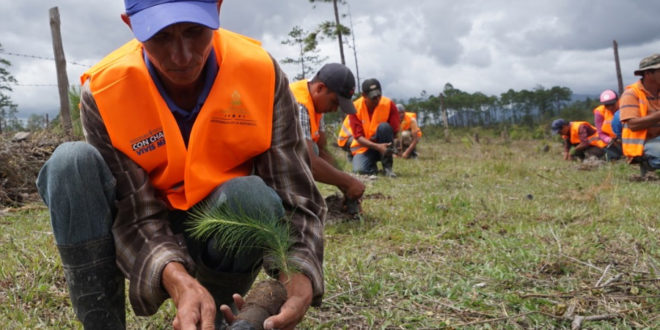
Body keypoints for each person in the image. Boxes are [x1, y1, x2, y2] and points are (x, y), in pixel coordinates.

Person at [35, 1, 325, 329]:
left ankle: (211, 314)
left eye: (194, 31)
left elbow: (295, 195)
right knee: (70, 164)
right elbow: (135, 214)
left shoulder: (259, 74)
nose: (182, 56)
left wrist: (299, 272)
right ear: (130, 24)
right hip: (149, 223)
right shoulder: (106, 91)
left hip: (221, 220)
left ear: (216, 9)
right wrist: (178, 281)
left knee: (253, 199)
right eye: (160, 36)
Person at [289, 63, 365, 214]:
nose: (335, 109)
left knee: (315, 148)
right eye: (335, 102)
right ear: (320, 88)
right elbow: (308, 161)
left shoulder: (315, 105)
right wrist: (348, 182)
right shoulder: (299, 104)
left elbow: (322, 151)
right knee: (308, 152)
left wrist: (345, 187)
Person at [343, 78, 400, 177]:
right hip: (364, 147)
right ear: (364, 95)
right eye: (373, 97)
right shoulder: (355, 107)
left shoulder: (389, 104)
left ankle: (387, 168)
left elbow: (394, 131)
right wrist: (377, 147)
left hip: (383, 144)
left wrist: (390, 147)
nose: (377, 100)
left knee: (384, 127)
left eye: (379, 95)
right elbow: (358, 137)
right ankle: (371, 167)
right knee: (359, 171)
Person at [619, 53, 660, 170]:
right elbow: (633, 124)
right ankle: (647, 164)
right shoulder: (631, 93)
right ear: (648, 74)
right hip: (642, 143)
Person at [593, 89, 622, 160]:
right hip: (612, 142)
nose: (610, 107)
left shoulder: (625, 107)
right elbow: (600, 133)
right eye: (607, 105)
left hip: (627, 139)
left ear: (618, 101)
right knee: (613, 158)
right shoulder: (600, 112)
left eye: (612, 104)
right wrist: (609, 140)